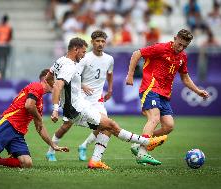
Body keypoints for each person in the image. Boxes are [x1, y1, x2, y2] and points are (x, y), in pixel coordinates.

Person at [48, 37, 167, 169]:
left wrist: (64, 95)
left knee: (106, 127)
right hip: (76, 107)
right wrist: (55, 108)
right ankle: (147, 141)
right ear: (75, 49)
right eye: (82, 52)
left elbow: (49, 78)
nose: (83, 56)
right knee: (111, 124)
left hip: (78, 104)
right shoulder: (69, 65)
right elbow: (58, 85)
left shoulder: (60, 61)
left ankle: (95, 161)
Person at [125, 29, 210, 165]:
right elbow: (137, 53)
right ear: (175, 38)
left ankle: (139, 144)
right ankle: (142, 152)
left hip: (164, 93)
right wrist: (130, 75)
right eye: (180, 44)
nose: (181, 48)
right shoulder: (160, 48)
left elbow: (185, 78)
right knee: (154, 118)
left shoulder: (182, 56)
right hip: (150, 87)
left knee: (169, 126)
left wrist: (197, 91)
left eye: (184, 46)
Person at [46, 30, 114, 162]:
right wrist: (82, 85)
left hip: (97, 99)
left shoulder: (109, 59)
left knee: (104, 124)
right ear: (92, 42)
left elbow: (109, 73)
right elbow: (72, 76)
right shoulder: (84, 57)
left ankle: (84, 146)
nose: (100, 44)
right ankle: (50, 150)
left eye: (103, 41)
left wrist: (110, 89)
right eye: (97, 41)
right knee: (66, 125)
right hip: (80, 98)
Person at [0, 14, 13, 79]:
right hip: (6, 46)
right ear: (7, 20)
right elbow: (10, 37)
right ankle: (3, 76)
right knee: (4, 62)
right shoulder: (9, 28)